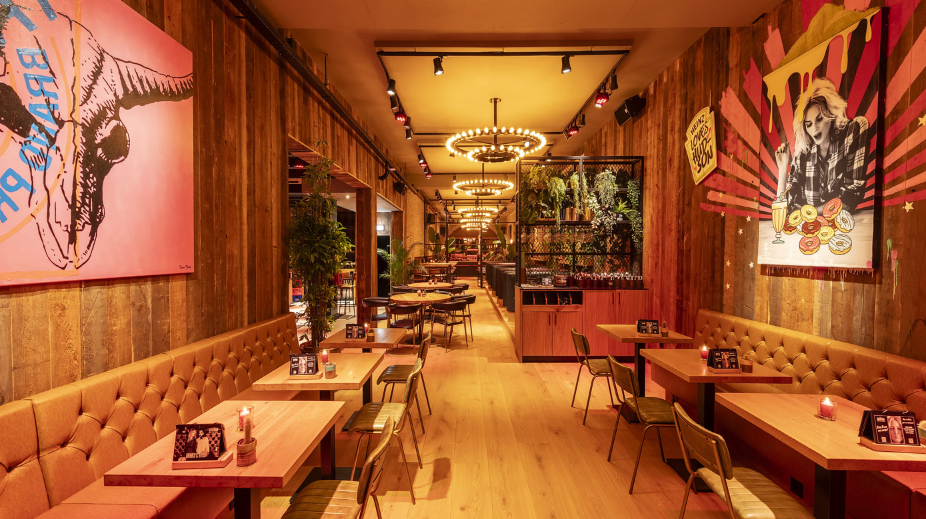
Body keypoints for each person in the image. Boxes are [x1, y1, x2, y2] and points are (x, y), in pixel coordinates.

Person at [774, 77, 869, 214]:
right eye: (808, 124)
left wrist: (812, 211)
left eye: (819, 119)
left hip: (848, 225)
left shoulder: (853, 131)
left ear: (830, 114)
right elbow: (785, 210)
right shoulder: (803, 152)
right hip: (811, 226)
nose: (814, 129)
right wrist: (782, 170)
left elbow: (851, 197)